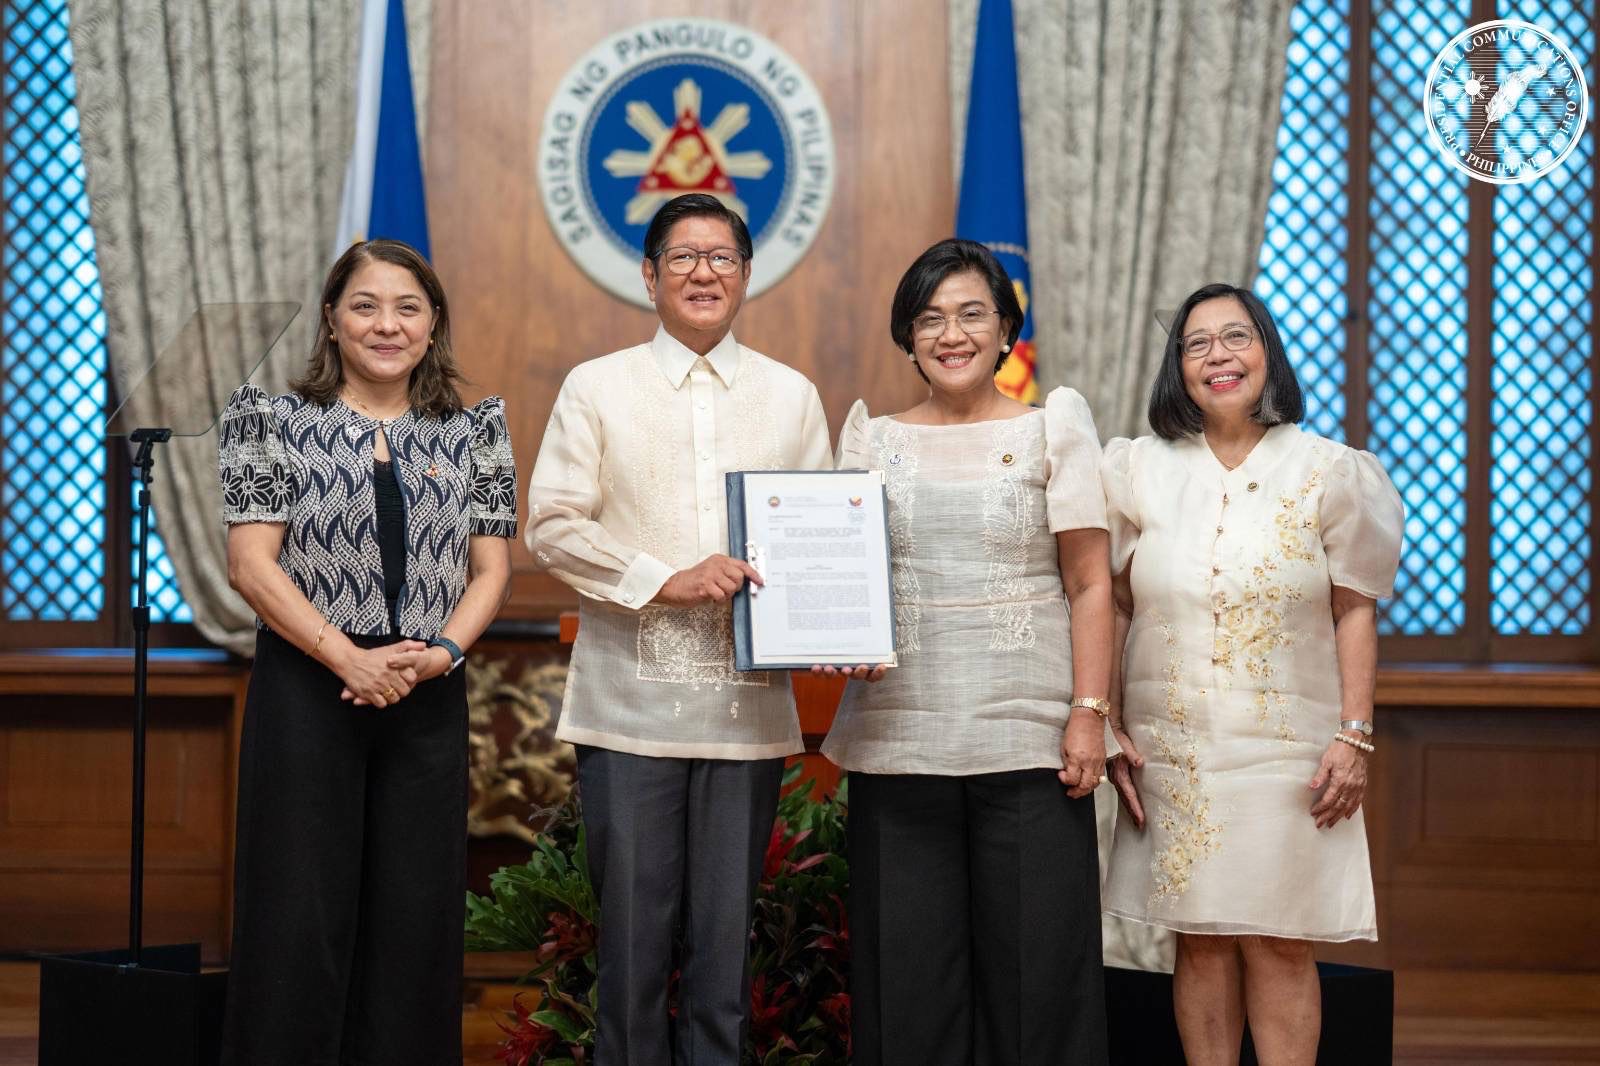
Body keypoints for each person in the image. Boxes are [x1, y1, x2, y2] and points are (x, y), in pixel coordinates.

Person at [525, 192, 834, 1065]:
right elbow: (549, 524)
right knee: (630, 949)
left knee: (725, 956)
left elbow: (816, 536)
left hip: (746, 716)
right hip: (629, 710)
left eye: (723, 258)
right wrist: (664, 579)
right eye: (684, 258)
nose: (705, 273)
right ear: (650, 276)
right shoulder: (598, 386)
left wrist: (838, 620)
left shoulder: (790, 394)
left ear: (746, 275)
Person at [217, 239, 517, 1065]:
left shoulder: (476, 432)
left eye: (407, 308)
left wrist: (443, 652)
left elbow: (492, 570)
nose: (387, 324)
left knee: (415, 915)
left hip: (426, 690)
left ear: (432, 326)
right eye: (365, 305)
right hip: (308, 687)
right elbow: (250, 565)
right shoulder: (270, 423)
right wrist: (344, 655)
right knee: (297, 910)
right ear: (331, 319)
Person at [821, 237, 1115, 1065]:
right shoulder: (872, 440)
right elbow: (842, 578)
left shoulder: (1051, 428)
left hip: (1030, 742)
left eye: (971, 314)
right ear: (908, 337)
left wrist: (1089, 716)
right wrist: (840, 634)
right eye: (930, 318)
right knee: (906, 988)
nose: (951, 334)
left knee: (1038, 987)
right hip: (898, 741)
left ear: (1006, 329)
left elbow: (1092, 584)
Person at [1101, 282, 1404, 1065]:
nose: (1218, 357)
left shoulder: (1331, 471)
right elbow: (1117, 604)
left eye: (1236, 337)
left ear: (1267, 352)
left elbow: (1355, 608)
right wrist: (1103, 716)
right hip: (1177, 751)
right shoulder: (1138, 470)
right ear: (1179, 369)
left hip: (1288, 751)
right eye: (1197, 344)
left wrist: (1356, 735)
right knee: (1199, 942)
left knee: (1279, 943)